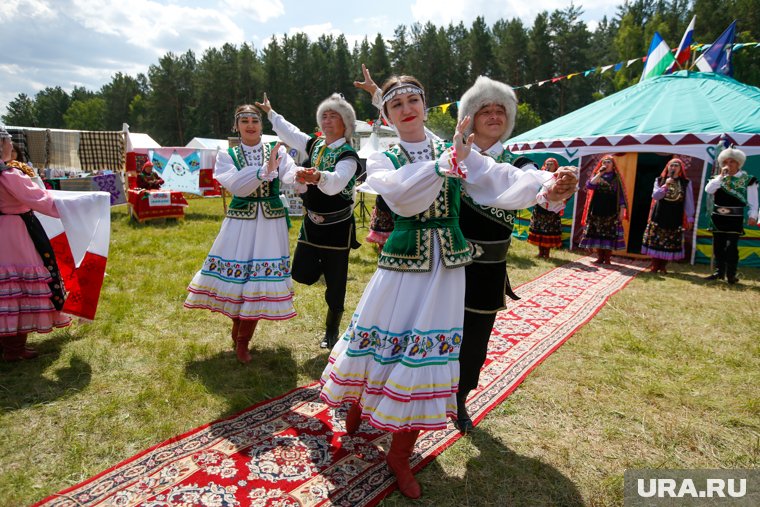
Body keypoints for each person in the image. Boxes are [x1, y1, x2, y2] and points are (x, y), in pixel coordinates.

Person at [320, 73, 575, 499]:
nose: (407, 108)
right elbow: (403, 197)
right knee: (385, 341)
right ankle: (361, 403)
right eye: (396, 103)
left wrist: (548, 187)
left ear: (425, 103)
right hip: (403, 265)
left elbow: (495, 178)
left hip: (447, 270)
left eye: (413, 99)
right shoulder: (384, 157)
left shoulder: (452, 146)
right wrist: (446, 163)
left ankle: (400, 455)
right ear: (385, 113)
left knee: (429, 356)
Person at [184, 105, 297, 363]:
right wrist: (262, 171)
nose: (250, 124)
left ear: (261, 124)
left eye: (254, 120)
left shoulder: (276, 150)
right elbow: (237, 185)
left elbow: (289, 174)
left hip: (270, 224)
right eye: (244, 120)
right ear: (236, 126)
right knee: (237, 280)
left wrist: (300, 175)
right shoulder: (228, 155)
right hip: (241, 222)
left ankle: (243, 340)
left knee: (259, 281)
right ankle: (238, 333)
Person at [256, 93, 360, 349]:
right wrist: (271, 114)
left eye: (333, 115)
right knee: (301, 273)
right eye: (323, 115)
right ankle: (326, 266)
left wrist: (317, 177)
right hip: (312, 224)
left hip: (338, 228)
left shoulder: (348, 156)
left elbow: (335, 183)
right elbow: (291, 133)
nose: (326, 120)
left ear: (346, 123)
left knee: (336, 290)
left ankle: (331, 331)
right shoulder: (314, 145)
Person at [0, 126, 71, 360]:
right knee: (17, 288)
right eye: (9, 141)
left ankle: (8, 345)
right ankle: (13, 348)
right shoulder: (9, 175)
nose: (12, 146)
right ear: (2, 144)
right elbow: (39, 199)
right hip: (13, 233)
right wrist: (79, 207)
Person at [704, 146, 758, 284]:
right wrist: (721, 177)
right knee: (718, 246)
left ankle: (731, 274)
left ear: (738, 163)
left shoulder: (748, 179)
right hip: (718, 217)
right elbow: (709, 190)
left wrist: (753, 215)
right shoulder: (718, 178)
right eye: (726, 162)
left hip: (735, 218)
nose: (728, 165)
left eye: (732, 162)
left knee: (731, 247)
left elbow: (753, 199)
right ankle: (719, 272)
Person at [641, 158, 695, 273]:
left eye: (676, 166)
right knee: (656, 239)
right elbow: (655, 196)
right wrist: (665, 185)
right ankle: (655, 265)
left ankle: (663, 266)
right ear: (667, 167)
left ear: (680, 169)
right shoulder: (660, 180)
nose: (673, 168)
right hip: (660, 213)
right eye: (671, 165)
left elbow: (689, 201)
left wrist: (690, 217)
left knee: (669, 242)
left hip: (675, 215)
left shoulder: (686, 183)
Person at [579, 155, 628, 264]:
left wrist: (622, 210)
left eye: (608, 162)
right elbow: (590, 185)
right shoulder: (598, 176)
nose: (605, 164)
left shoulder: (616, 178)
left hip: (611, 211)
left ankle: (607, 258)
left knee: (609, 235)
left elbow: (621, 196)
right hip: (597, 210)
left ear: (613, 165)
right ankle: (600, 257)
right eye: (604, 162)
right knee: (597, 234)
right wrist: (600, 173)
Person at [528, 158, 565, 259]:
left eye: (551, 164)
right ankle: (540, 252)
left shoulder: (558, 177)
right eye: (547, 164)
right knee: (539, 228)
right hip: (540, 206)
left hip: (552, 207)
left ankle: (547, 253)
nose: (549, 166)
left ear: (555, 166)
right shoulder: (541, 175)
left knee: (549, 229)